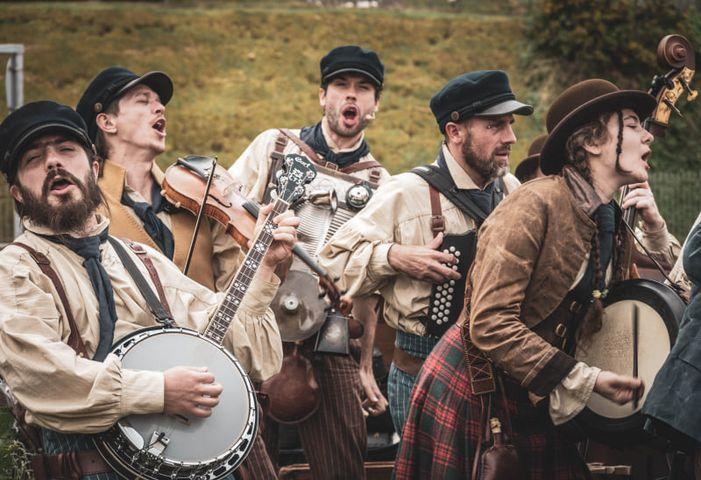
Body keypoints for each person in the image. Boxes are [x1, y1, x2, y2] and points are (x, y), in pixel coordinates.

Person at [394, 79, 681, 479]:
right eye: (632, 125)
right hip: (473, 392)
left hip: (532, 394)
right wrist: (583, 377)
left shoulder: (608, 219)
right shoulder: (534, 204)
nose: (648, 135)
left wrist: (654, 228)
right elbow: (489, 322)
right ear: (594, 143)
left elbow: (637, 305)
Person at [0, 101, 297, 480]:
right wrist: (159, 391)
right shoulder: (15, 268)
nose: (53, 163)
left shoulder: (138, 257)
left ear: (93, 168)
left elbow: (227, 342)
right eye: (33, 159)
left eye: (66, 149)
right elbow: (43, 377)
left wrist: (264, 266)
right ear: (18, 193)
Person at [320, 70, 532, 436]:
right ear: (455, 131)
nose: (510, 138)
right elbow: (331, 263)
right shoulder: (406, 192)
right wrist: (394, 257)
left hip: (499, 369)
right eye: (495, 126)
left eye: (510, 125)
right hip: (424, 369)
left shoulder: (510, 189)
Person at [229, 45, 390, 479]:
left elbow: (371, 289)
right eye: (340, 85)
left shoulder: (382, 184)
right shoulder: (276, 146)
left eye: (362, 89)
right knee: (246, 453)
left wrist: (364, 367)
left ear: (374, 105)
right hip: (259, 315)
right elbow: (227, 214)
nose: (350, 96)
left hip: (331, 328)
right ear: (323, 95)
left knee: (344, 457)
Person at [76, 67, 241, 293]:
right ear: (107, 123)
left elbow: (235, 289)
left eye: (159, 102)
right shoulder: (84, 208)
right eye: (143, 101)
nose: (160, 107)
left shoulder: (201, 195)